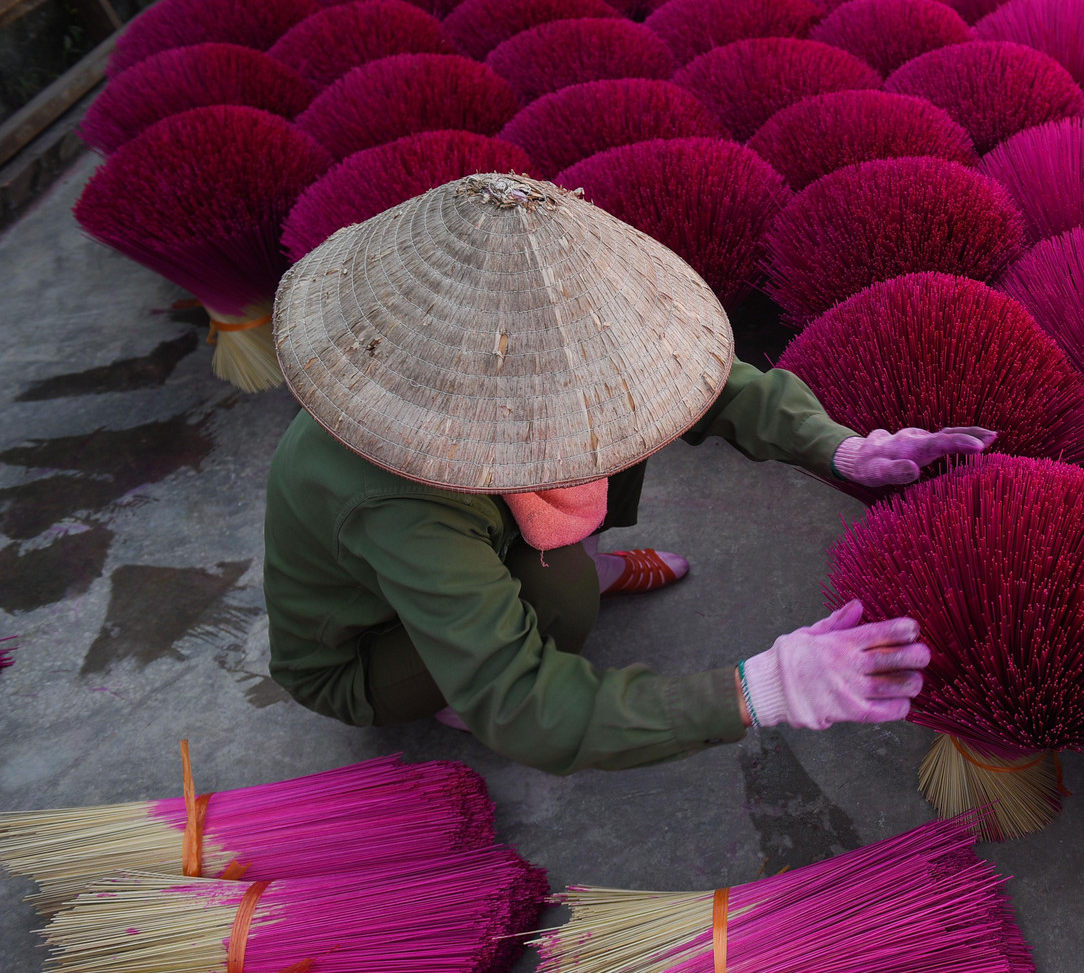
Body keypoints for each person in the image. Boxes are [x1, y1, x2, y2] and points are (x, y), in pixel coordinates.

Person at [262, 174, 992, 773]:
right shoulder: (399, 499)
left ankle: (559, 571)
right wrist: (756, 689)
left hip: (454, 551)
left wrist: (837, 449)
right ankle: (454, 691)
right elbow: (527, 705)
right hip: (364, 651)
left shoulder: (509, 363)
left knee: (604, 452)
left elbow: (693, 381)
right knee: (563, 593)